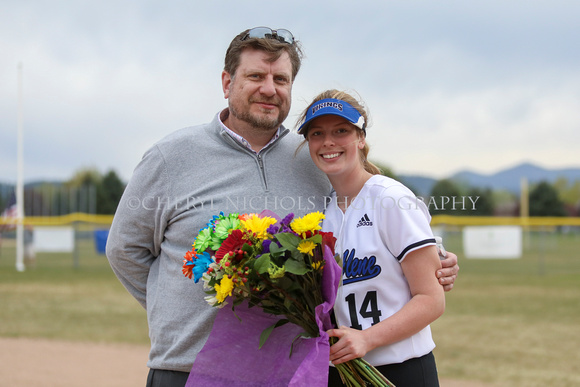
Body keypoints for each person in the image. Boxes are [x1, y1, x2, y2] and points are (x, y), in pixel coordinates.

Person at [106, 27, 459, 387]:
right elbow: (125, 250)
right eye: (256, 76)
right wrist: (176, 312)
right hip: (190, 369)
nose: (269, 89)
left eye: (281, 79)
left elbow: (370, 222)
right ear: (227, 82)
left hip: (291, 372)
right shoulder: (171, 157)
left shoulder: (312, 159)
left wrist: (436, 257)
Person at [297, 89, 446, 386]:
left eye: (341, 131)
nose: (328, 142)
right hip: (345, 373)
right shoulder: (324, 214)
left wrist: (367, 339)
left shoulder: (390, 198)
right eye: (317, 133)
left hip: (402, 370)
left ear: (361, 139)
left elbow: (431, 299)